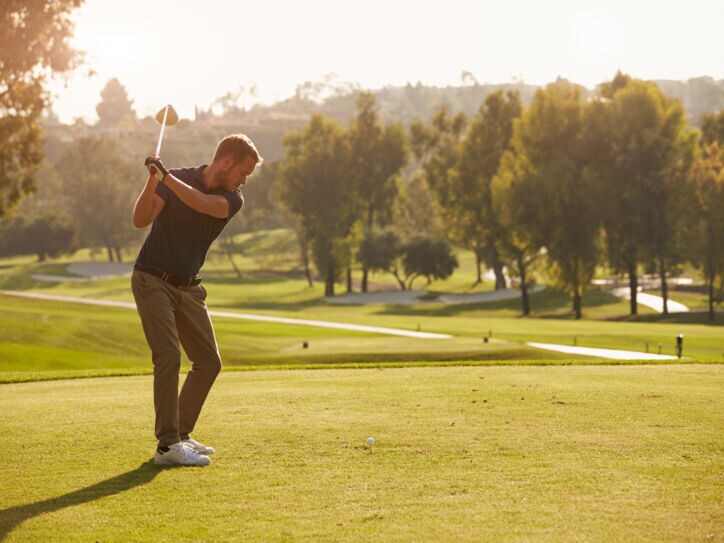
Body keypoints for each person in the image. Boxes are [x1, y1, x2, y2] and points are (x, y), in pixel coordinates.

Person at [131, 134, 262, 466]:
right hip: (152, 279)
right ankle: (167, 446)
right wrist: (152, 182)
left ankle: (182, 434)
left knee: (209, 361)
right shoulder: (176, 178)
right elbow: (140, 219)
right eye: (242, 173)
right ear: (226, 162)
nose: (243, 181)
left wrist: (166, 178)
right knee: (169, 355)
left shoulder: (232, 198)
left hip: (188, 287)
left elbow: (203, 205)